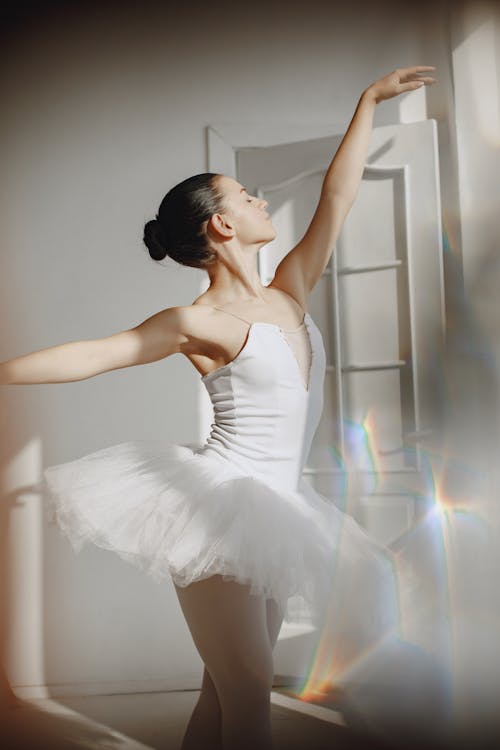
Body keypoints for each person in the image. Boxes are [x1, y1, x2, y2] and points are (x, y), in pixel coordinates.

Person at [0, 66, 436, 750]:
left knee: (223, 697)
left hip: (277, 512)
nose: (260, 198)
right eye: (245, 195)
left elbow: (339, 193)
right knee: (247, 698)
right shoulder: (196, 321)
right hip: (217, 512)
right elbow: (94, 355)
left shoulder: (289, 290)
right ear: (222, 222)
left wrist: (370, 102)